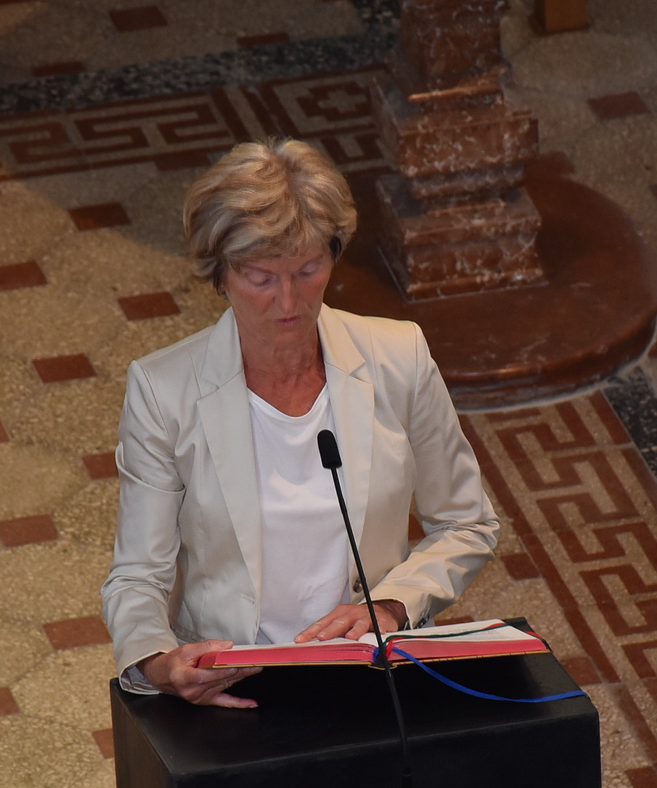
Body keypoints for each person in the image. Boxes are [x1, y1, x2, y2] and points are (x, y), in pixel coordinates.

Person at [102, 139, 500, 707]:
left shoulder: (398, 357)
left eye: (308, 270)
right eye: (260, 278)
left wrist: (391, 606)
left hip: (372, 675)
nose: (288, 302)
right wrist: (160, 663)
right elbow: (138, 574)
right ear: (220, 275)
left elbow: (466, 524)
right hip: (232, 687)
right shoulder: (163, 391)